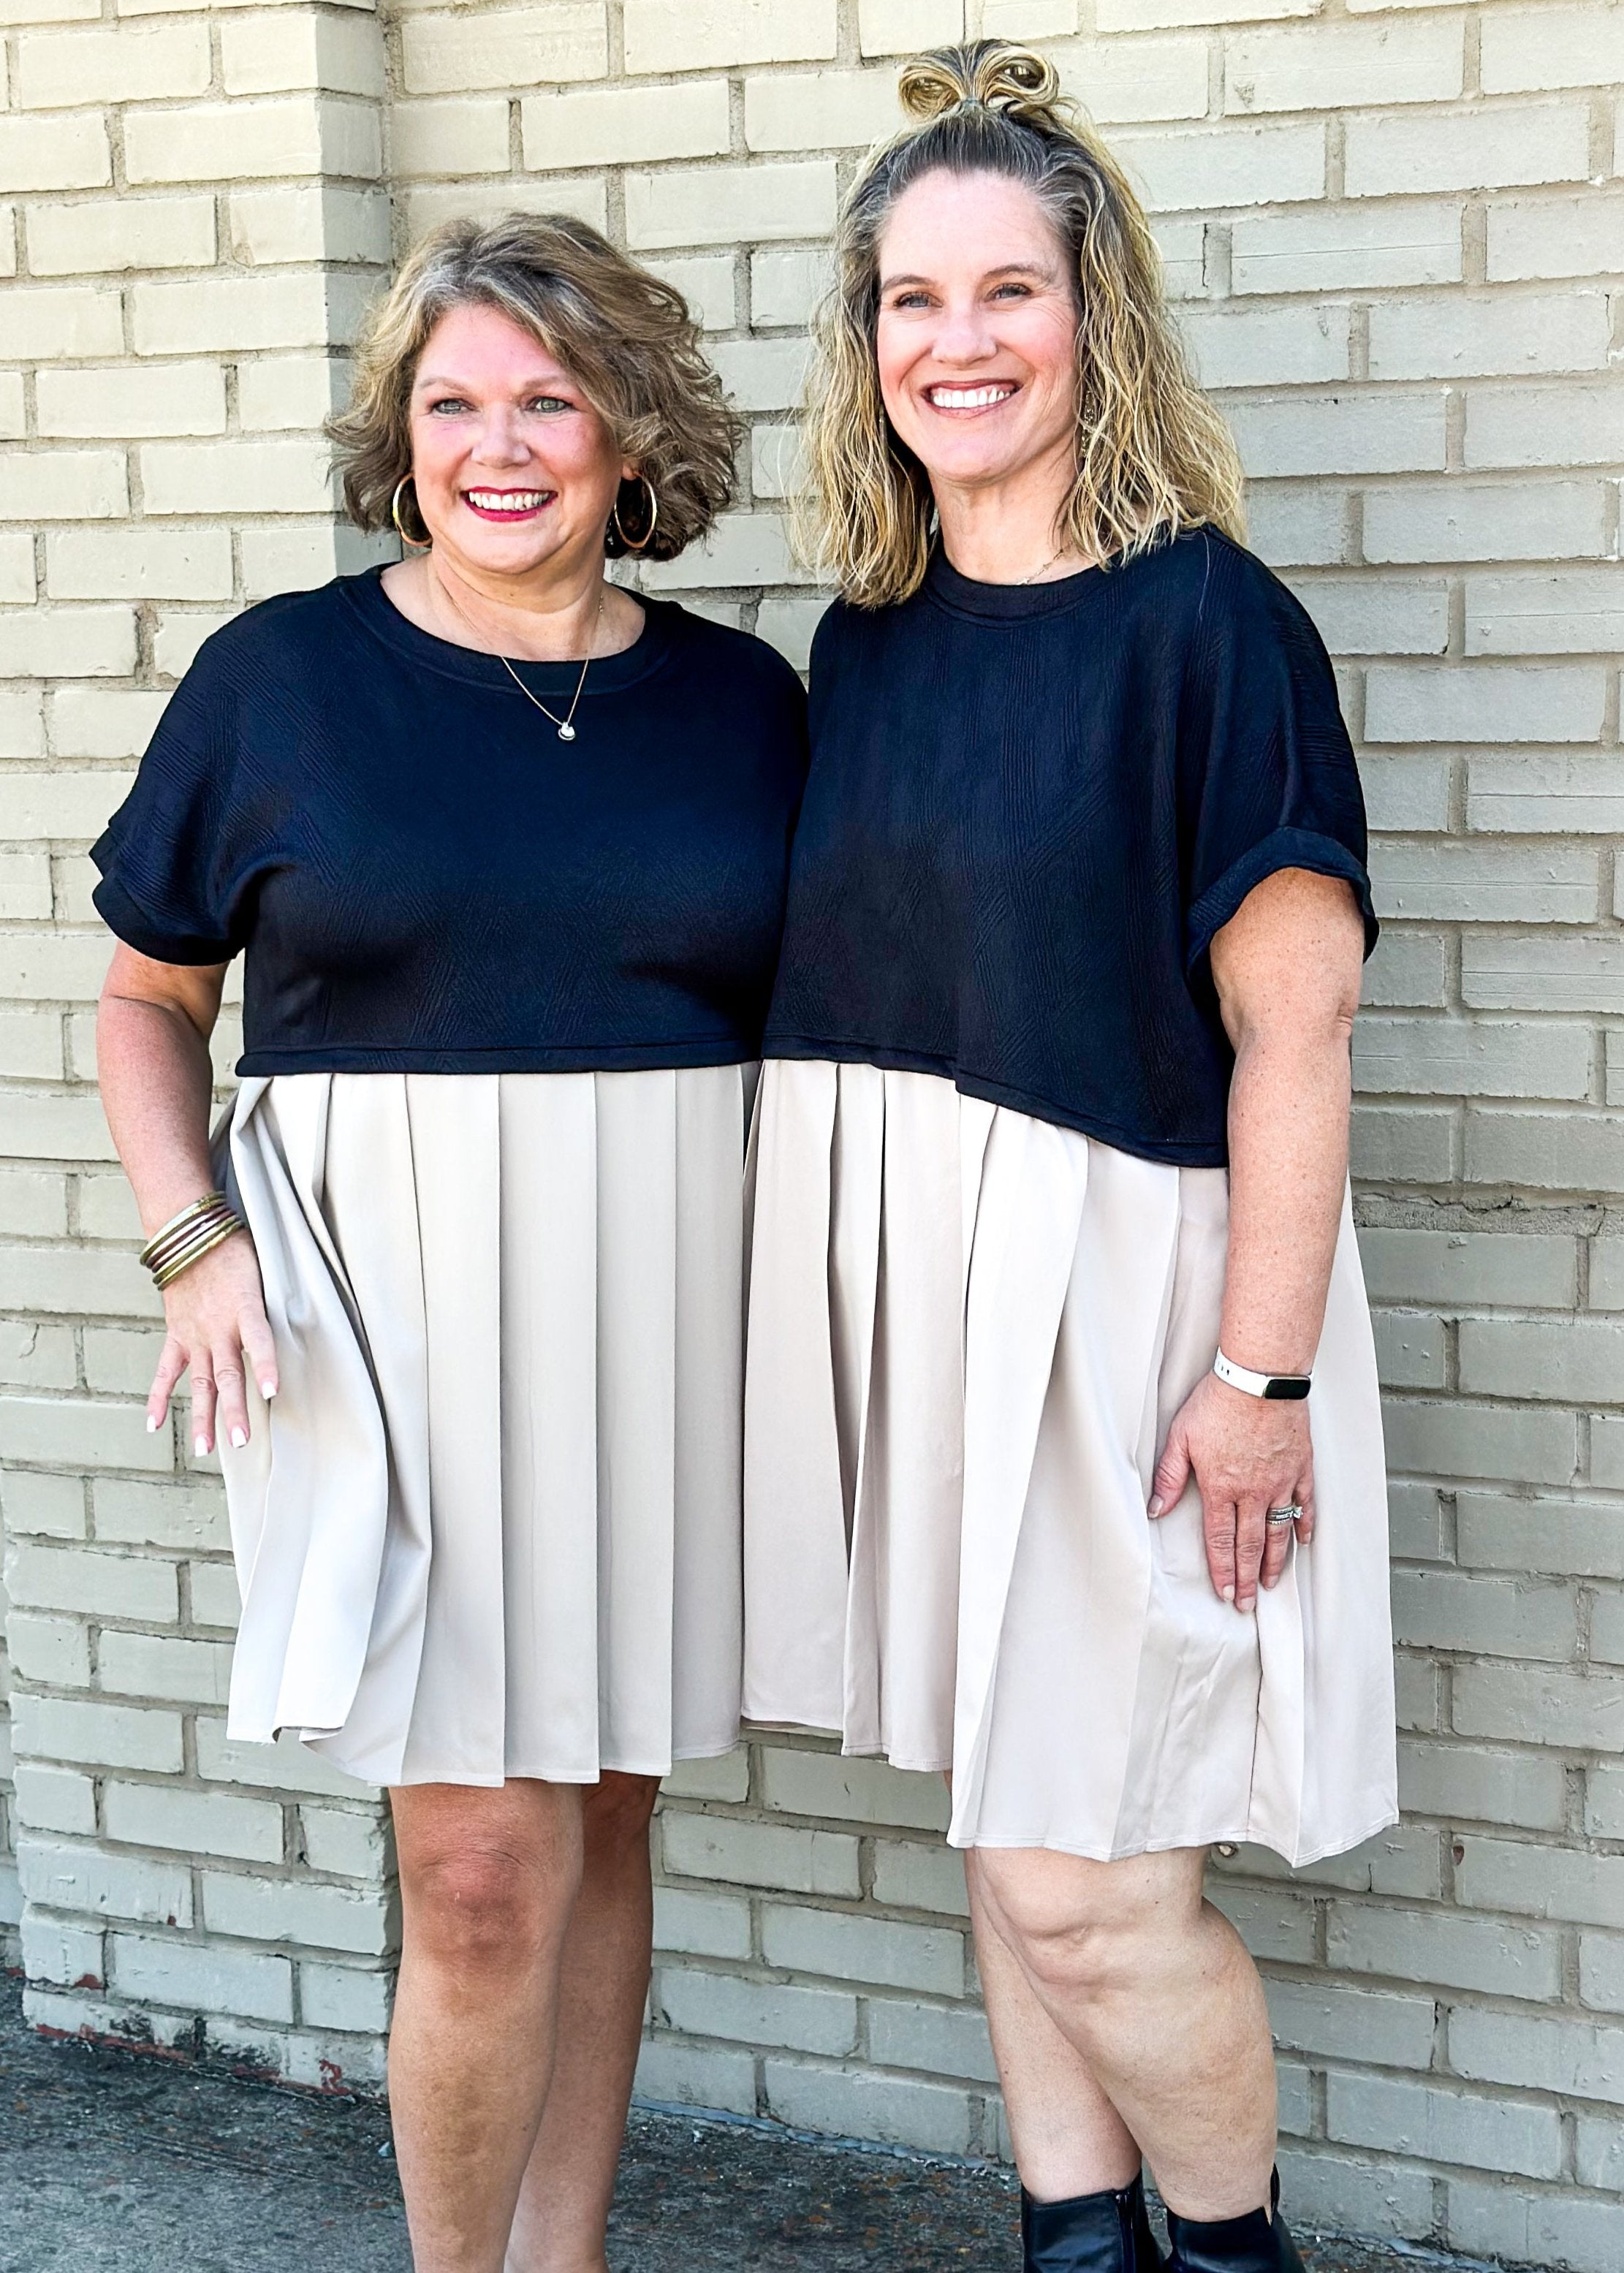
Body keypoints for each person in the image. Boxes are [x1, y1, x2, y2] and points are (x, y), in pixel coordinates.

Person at [92, 212, 807, 2273]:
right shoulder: (282, 679)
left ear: (626, 432)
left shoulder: (743, 706)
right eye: (452, 405)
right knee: (480, 1861)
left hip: (665, 1300)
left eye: (547, 402)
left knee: (602, 1809)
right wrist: (191, 1241)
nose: (500, 449)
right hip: (379, 1313)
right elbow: (148, 1000)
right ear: (400, 439)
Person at [743, 43, 1395, 2273]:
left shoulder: (1212, 626)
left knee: (1094, 1877)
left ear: (1094, 318)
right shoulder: (875, 636)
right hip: (937, 1297)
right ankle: (1075, 2243)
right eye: (911, 302)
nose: (959, 343)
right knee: (1006, 1826)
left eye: (1007, 291)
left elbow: (1294, 1033)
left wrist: (1262, 1380)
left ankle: (1231, 2257)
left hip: (1140, 1305)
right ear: (868, 343)